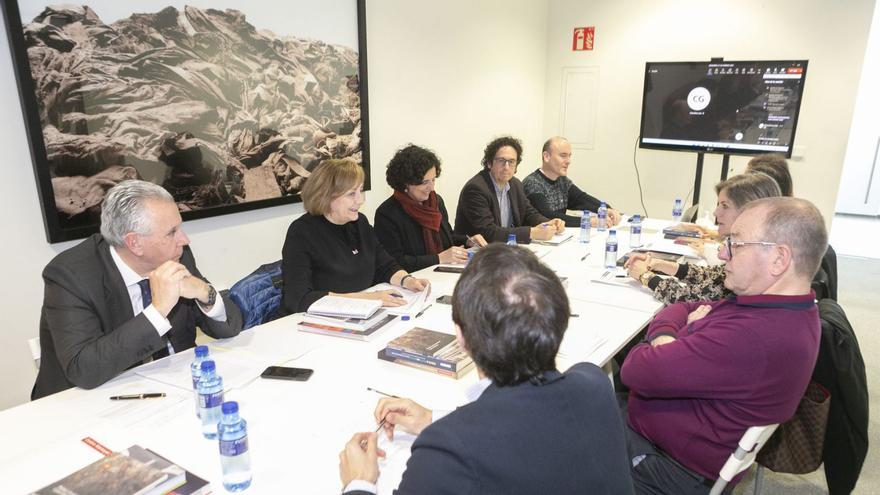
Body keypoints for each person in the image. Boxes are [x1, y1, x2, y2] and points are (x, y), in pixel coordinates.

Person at [338, 244, 634, 495]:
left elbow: (494, 435)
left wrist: (359, 483)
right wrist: (432, 418)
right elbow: (521, 427)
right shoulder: (593, 382)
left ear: (461, 336)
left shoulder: (446, 453)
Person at [619, 197, 826, 494]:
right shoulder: (782, 306)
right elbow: (683, 306)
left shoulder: (753, 336)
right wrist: (675, 337)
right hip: (677, 441)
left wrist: (676, 335)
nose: (722, 253)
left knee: (556, 412)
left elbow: (635, 370)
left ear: (779, 259)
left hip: (662, 468)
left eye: (735, 244)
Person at [32, 180, 243, 400]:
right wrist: (158, 311)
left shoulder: (177, 254)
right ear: (134, 243)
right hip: (85, 403)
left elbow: (229, 327)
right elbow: (83, 368)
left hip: (173, 390)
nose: (184, 239)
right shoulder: (70, 276)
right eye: (172, 232)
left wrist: (205, 292)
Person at [279, 159, 429, 315]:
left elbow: (385, 265)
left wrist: (408, 280)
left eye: (361, 191)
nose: (361, 200)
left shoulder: (359, 222)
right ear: (326, 196)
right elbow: (298, 299)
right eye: (351, 194)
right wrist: (367, 298)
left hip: (359, 315)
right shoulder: (302, 232)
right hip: (311, 322)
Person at [624, 173, 781, 304]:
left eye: (725, 206)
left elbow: (686, 297)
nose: (716, 213)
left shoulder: (752, 259)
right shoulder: (755, 247)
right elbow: (715, 276)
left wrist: (645, 276)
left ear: (749, 210)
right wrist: (658, 263)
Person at [374, 144, 486, 272]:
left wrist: (468, 241)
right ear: (406, 183)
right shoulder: (387, 214)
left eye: (433, 180)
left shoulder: (436, 201)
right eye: (425, 182)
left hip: (440, 275)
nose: (431, 187)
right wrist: (438, 258)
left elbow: (448, 238)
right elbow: (395, 262)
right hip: (412, 281)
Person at [454, 136, 565, 243]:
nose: (506, 167)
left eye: (511, 162)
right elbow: (489, 232)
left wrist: (548, 223)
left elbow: (528, 213)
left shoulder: (515, 184)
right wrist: (532, 233)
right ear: (489, 162)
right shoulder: (475, 189)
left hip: (505, 247)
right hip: (475, 253)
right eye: (501, 161)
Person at [523, 136, 621, 227]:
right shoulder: (532, 183)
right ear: (546, 157)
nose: (568, 161)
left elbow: (582, 199)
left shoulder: (562, 181)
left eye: (569, 156)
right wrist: (588, 221)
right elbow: (548, 216)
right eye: (563, 156)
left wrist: (606, 209)